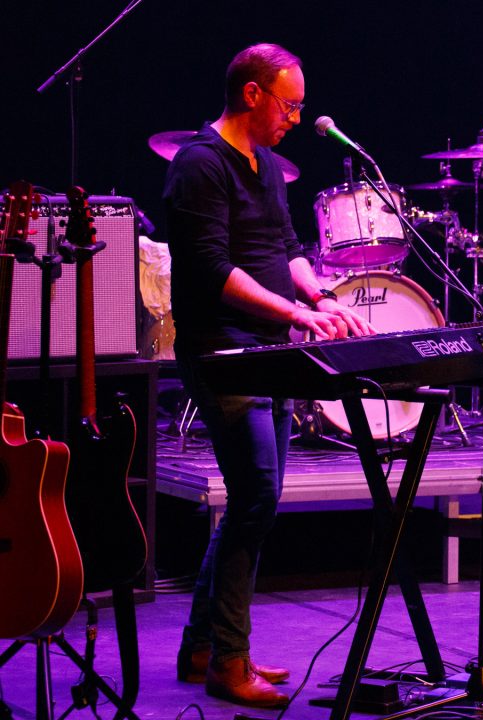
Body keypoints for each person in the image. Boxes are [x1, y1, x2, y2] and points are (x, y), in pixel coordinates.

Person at [163, 42, 373, 708]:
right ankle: (229, 660)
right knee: (254, 499)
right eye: (290, 104)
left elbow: (286, 253)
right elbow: (213, 273)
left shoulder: (267, 168)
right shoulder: (199, 167)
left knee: (258, 503)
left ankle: (202, 647)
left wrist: (321, 301)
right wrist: (293, 312)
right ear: (253, 94)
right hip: (223, 352)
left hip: (270, 353)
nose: (295, 117)